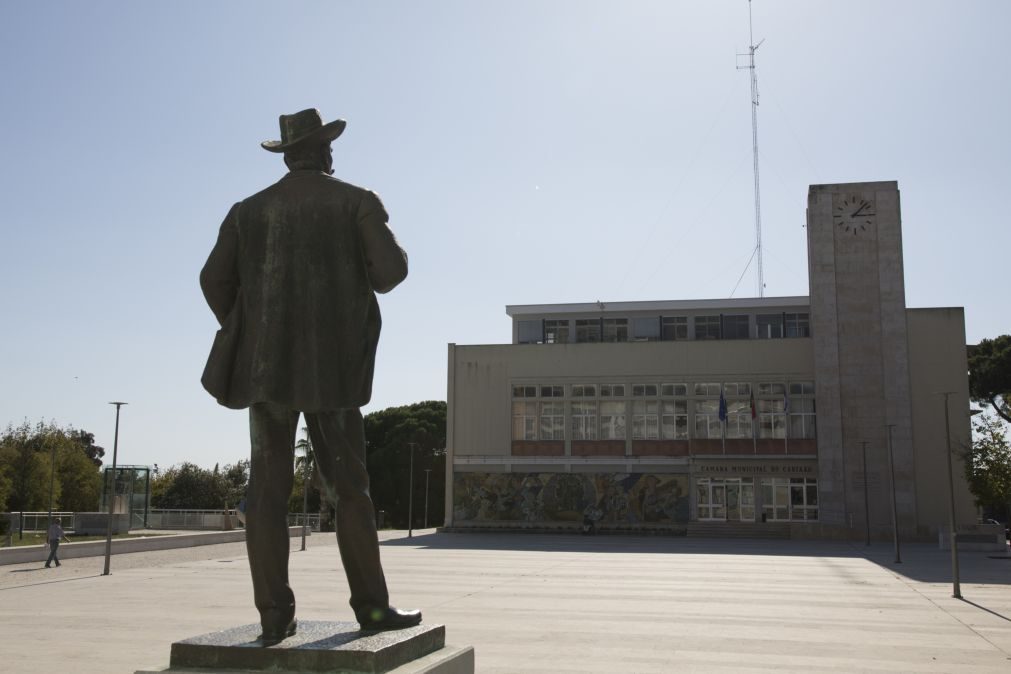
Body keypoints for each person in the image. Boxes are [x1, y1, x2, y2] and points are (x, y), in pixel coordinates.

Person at [200, 108, 419, 646]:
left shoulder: (247, 212)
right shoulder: (356, 201)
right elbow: (390, 274)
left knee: (266, 495)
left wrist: (249, 331)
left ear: (287, 153)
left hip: (265, 372)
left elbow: (212, 279)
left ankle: (274, 617)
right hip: (334, 373)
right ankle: (372, 608)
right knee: (351, 491)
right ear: (324, 151)